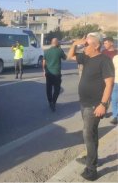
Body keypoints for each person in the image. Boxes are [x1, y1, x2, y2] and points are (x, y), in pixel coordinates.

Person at [67, 32, 114, 181]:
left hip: (95, 105)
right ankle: (91, 157)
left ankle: (91, 169)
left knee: (88, 134)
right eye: (84, 44)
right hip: (84, 103)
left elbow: (109, 84)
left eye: (87, 44)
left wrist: (103, 104)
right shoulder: (87, 58)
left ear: (96, 46)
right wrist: (75, 43)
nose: (84, 46)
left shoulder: (104, 60)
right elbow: (70, 56)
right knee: (91, 134)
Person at [42, 38, 67, 111]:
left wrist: (44, 71)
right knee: (57, 89)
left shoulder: (46, 51)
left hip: (48, 73)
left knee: (48, 88)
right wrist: (60, 49)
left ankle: (50, 102)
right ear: (57, 43)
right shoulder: (59, 50)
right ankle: (53, 102)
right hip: (56, 73)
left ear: (51, 43)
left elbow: (43, 63)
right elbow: (65, 58)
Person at [110, 54, 118, 125]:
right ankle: (115, 116)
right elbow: (111, 69)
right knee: (114, 99)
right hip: (116, 82)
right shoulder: (115, 57)